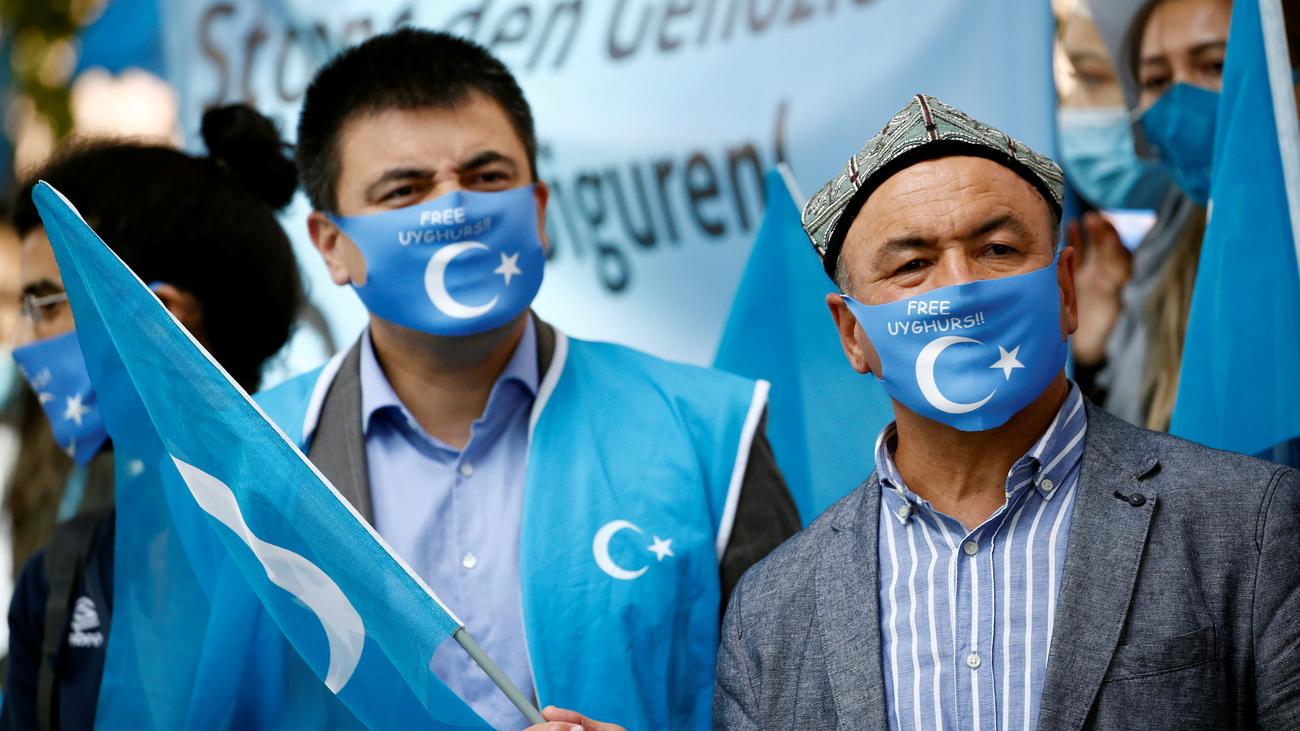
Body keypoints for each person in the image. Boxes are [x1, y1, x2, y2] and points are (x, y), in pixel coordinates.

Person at [257, 28, 798, 730]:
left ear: (537, 210)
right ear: (332, 244)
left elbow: (800, 701)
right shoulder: (257, 455)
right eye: (405, 190)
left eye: (486, 178)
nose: (453, 210)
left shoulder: (708, 431)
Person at [712, 94, 1300, 728]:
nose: (961, 286)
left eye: (997, 250)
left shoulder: (1252, 523)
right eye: (913, 265)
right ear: (853, 335)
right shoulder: (769, 611)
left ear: (1065, 289)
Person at [1, 104, 304, 731]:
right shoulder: (58, 578)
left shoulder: (328, 554)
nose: (23, 344)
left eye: (45, 305)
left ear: (163, 314)